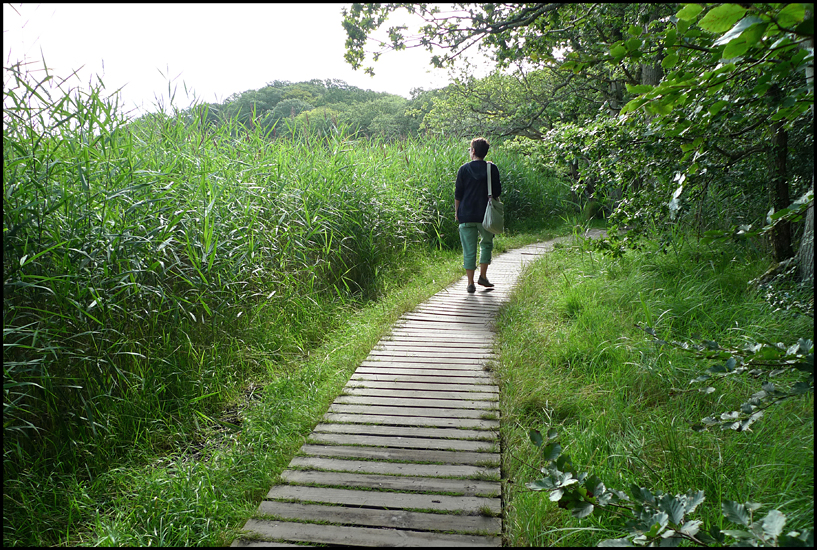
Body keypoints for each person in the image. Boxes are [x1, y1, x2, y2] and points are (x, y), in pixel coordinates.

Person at [455, 137, 501, 293]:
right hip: (486, 215)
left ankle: (470, 283)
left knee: (469, 249)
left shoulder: (463, 169)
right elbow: (497, 192)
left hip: (466, 215)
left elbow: (458, 194)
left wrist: (457, 212)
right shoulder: (491, 169)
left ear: (473, 151)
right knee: (486, 244)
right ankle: (482, 276)